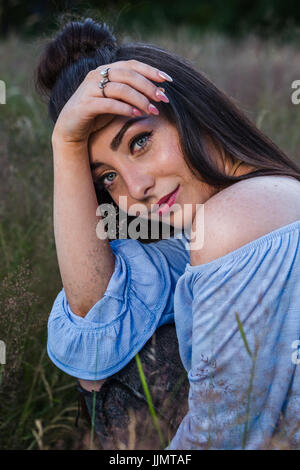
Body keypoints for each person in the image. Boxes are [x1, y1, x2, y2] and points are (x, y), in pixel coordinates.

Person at [36, 17, 300, 449]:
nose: (135, 189)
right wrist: (64, 146)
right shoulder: (240, 207)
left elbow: (219, 436)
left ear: (190, 108)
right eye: (108, 179)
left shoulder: (230, 222)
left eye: (140, 142)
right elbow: (100, 324)